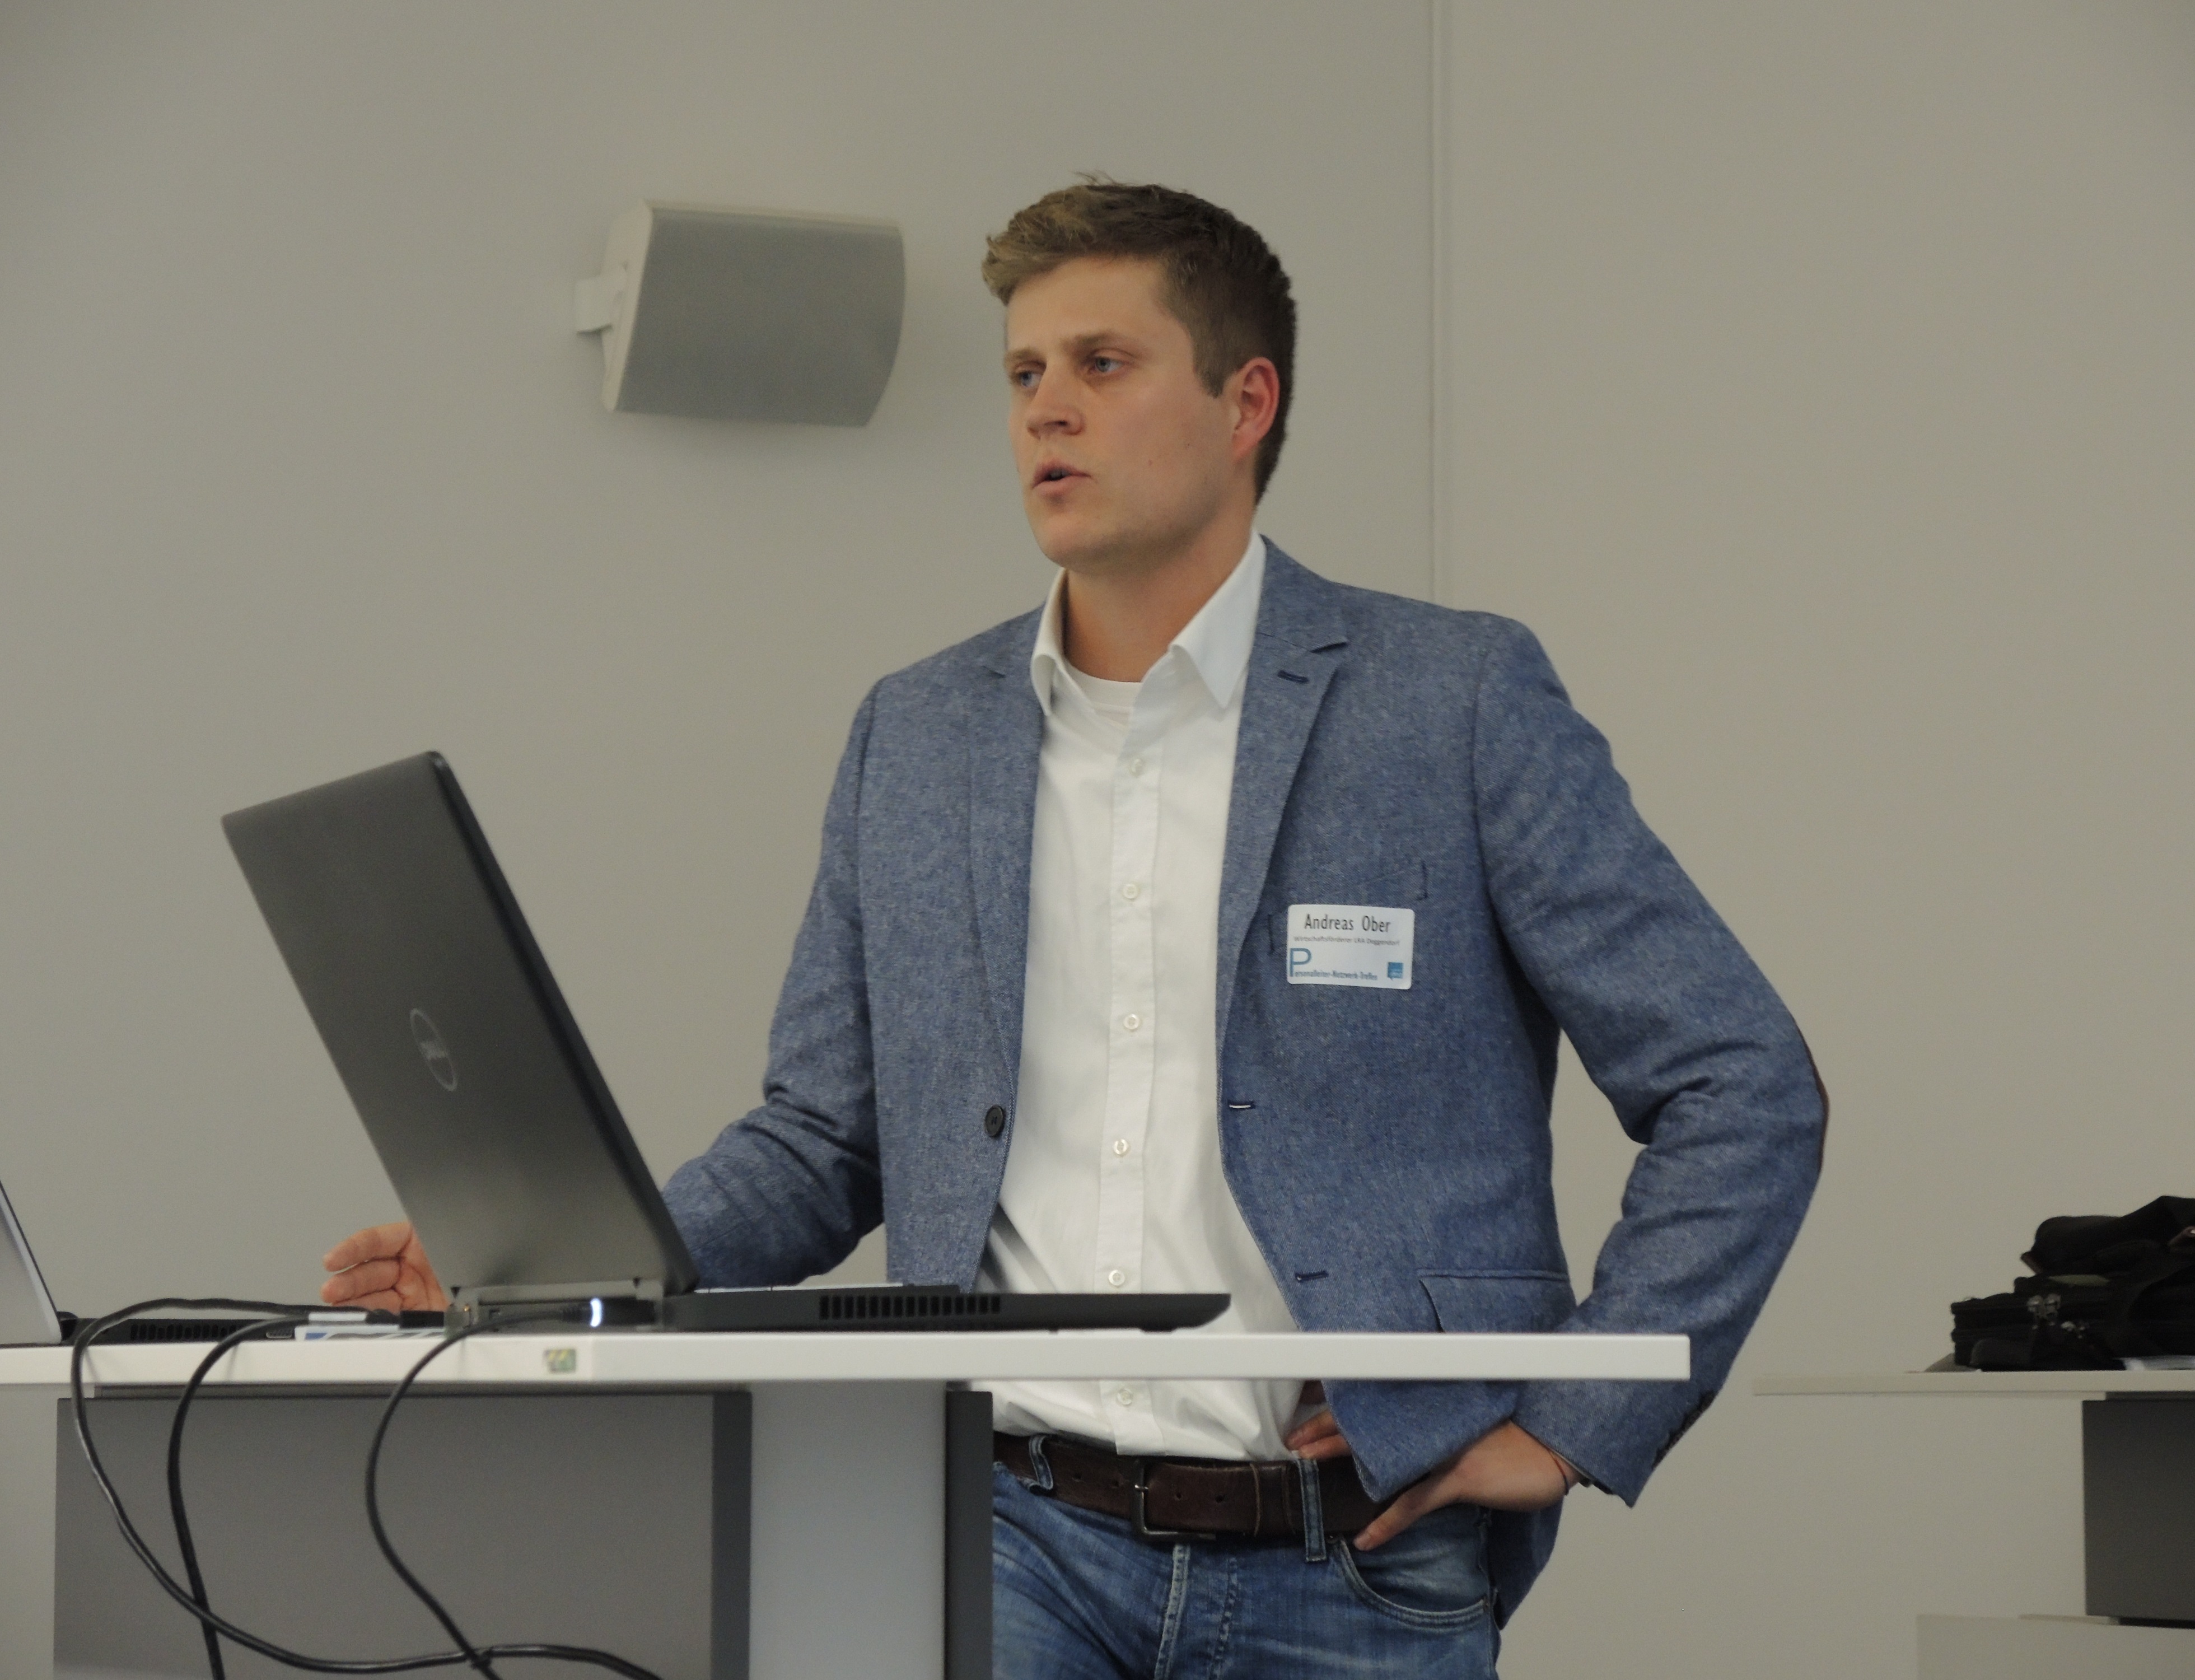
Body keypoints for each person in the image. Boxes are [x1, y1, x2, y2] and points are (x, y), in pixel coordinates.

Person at [322, 179, 1824, 1678]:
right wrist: (549, 1268)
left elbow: (1741, 1080)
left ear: (1246, 404)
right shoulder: (916, 734)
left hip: (1353, 1561)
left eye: (1103, 365)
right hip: (1005, 1535)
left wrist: (1574, 1420)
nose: (1047, 409)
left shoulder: (1454, 703)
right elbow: (822, 1139)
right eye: (1025, 373)